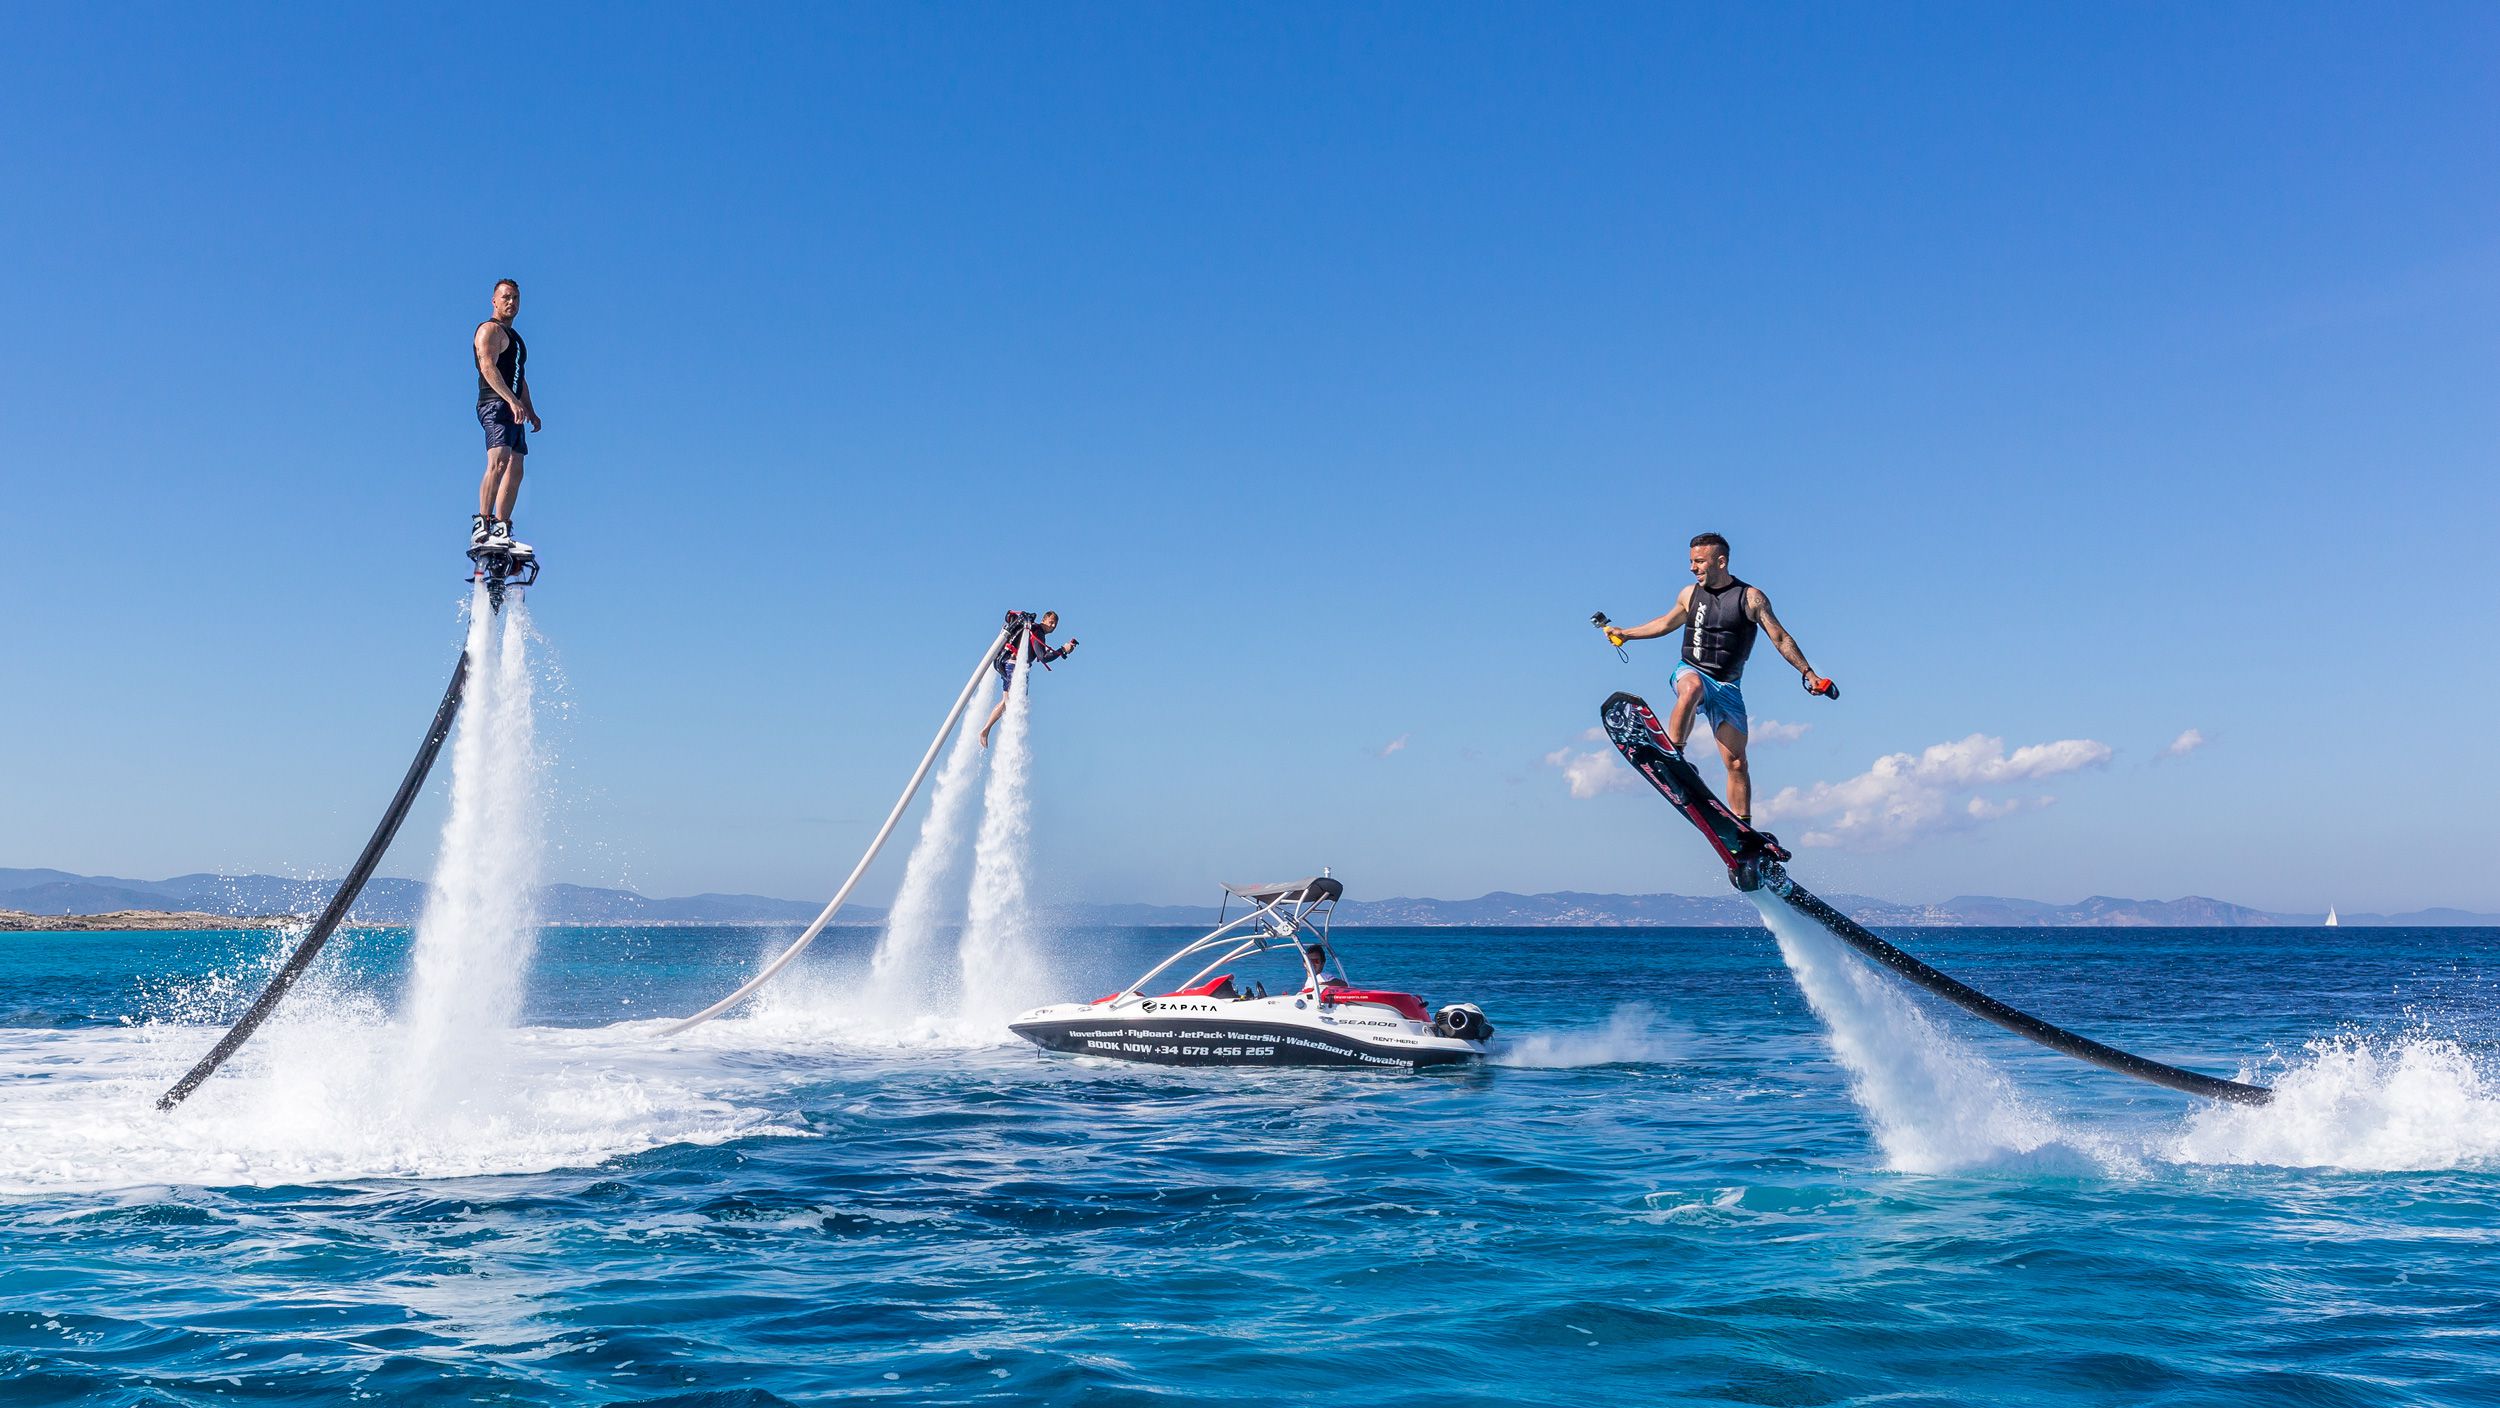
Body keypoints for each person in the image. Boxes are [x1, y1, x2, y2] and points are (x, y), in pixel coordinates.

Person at [1595, 532, 1829, 825]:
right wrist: (1626, 633)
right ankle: (1675, 758)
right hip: (1691, 669)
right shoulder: (1689, 594)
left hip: (1728, 685)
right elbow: (1666, 623)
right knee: (1691, 688)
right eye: (1691, 562)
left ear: (1721, 561)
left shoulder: (1751, 597)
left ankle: (1743, 830)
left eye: (1699, 561)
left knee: (1736, 762)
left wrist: (1808, 672)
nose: (1693, 568)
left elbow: (1780, 637)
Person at [470, 279, 541, 556]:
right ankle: (482, 525)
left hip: (514, 409)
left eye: (515, 299)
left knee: (516, 468)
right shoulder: (489, 330)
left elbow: (519, 378)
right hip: (494, 405)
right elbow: (488, 367)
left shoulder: (517, 340)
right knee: (498, 462)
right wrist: (511, 401)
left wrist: (530, 409)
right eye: (506, 297)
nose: (511, 303)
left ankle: (501, 527)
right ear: (494, 301)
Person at [979, 610, 1078, 747]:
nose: (1053, 626)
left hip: (1007, 663)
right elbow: (1042, 657)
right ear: (1044, 620)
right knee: (1016, 702)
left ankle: (987, 729)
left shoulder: (1033, 630)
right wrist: (1062, 650)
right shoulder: (1038, 632)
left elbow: (1039, 653)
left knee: (1006, 702)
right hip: (1014, 666)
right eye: (1051, 622)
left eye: (1056, 624)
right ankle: (1006, 736)